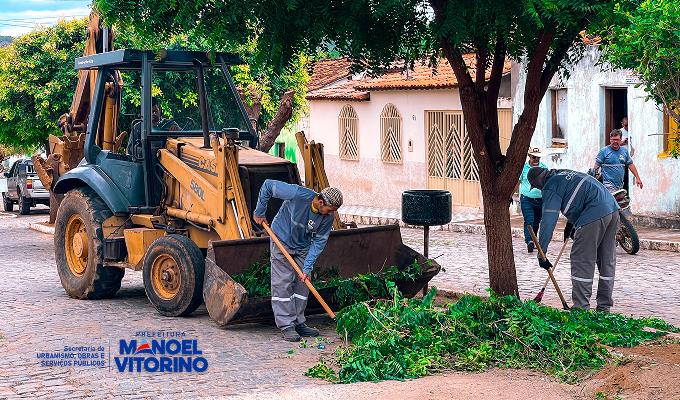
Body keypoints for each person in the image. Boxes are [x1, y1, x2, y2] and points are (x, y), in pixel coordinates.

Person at [253, 180, 343, 342]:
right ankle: (286, 325)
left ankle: (299, 322)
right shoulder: (298, 194)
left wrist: (307, 267)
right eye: (329, 210)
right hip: (281, 239)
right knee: (283, 282)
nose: (330, 214)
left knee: (303, 283)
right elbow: (267, 185)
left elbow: (319, 242)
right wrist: (260, 212)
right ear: (320, 202)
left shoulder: (328, 216)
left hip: (303, 246)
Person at [528, 167, 620, 312]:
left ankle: (581, 307)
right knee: (606, 260)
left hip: (594, 213)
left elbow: (548, 221)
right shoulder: (563, 172)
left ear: (538, 182)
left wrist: (542, 252)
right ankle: (604, 307)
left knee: (581, 258)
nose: (539, 189)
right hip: (612, 209)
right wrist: (570, 224)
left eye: (537, 187)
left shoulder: (550, 186)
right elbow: (577, 194)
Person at [519, 147, 548, 253]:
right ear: (529, 157)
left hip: (540, 200)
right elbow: (518, 182)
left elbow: (547, 184)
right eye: (534, 157)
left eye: (538, 157)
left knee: (536, 222)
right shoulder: (523, 168)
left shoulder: (544, 168)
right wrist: (510, 196)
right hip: (526, 198)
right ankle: (529, 241)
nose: (536, 159)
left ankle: (533, 240)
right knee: (529, 220)